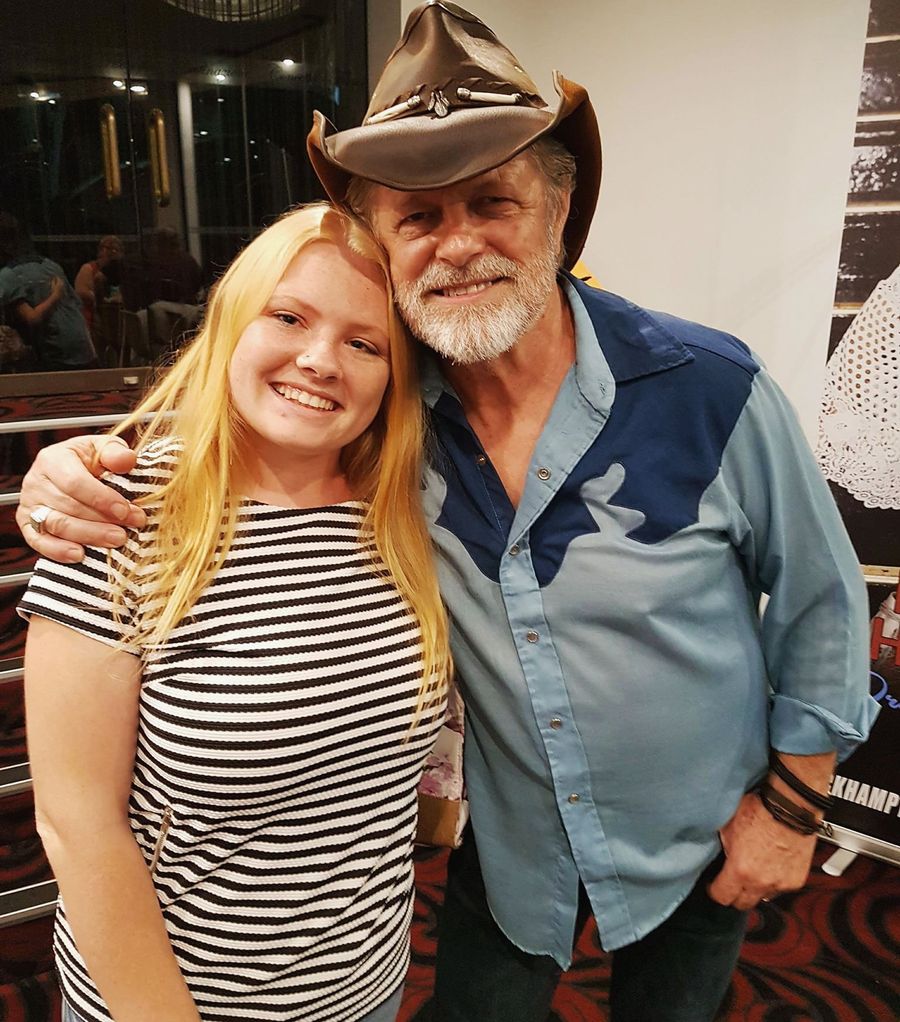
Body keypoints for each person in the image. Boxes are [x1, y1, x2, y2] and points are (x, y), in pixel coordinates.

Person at [16, 4, 879, 1021]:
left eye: (492, 201)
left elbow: (823, 600)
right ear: (384, 246)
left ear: (559, 211)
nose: (458, 242)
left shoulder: (706, 385)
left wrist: (794, 805)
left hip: (698, 838)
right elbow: (253, 418)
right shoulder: (384, 418)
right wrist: (77, 469)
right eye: (418, 216)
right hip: (511, 857)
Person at [19, 202, 450, 1022]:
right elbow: (78, 827)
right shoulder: (121, 515)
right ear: (230, 323)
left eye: (365, 344)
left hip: (365, 989)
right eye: (288, 317)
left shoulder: (406, 514)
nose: (320, 360)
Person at [0, 213, 99, 371]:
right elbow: (76, 309)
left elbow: (32, 318)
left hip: (55, 352)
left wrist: (55, 296)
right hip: (82, 348)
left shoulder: (8, 275)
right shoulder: (51, 266)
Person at [74, 235, 123, 331]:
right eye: (109, 249)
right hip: (92, 318)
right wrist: (101, 298)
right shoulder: (88, 269)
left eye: (116, 250)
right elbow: (80, 292)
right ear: (101, 251)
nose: (113, 253)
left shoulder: (120, 270)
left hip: (115, 317)